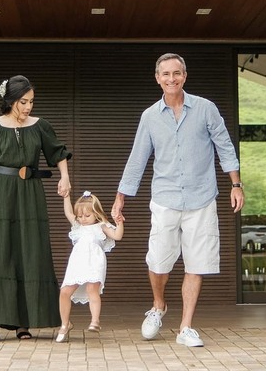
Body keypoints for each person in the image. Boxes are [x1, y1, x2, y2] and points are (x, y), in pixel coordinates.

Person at [110, 53, 243, 349]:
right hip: (165, 198)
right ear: (157, 78)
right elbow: (137, 159)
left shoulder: (206, 109)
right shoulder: (149, 117)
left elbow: (224, 146)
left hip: (202, 197)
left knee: (196, 263)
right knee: (158, 261)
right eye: (166, 74)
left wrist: (236, 184)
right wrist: (120, 198)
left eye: (177, 73)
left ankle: (186, 327)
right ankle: (159, 305)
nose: (172, 79)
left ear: (185, 75)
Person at [0, 75, 72, 342]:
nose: (28, 107)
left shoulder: (40, 126)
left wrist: (65, 177)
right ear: (10, 100)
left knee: (29, 253)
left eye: (31, 101)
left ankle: (24, 322)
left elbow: (58, 153)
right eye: (23, 101)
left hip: (30, 194)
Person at [55, 190, 124, 343]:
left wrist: (119, 222)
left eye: (87, 215)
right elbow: (68, 212)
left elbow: (117, 236)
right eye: (80, 216)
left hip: (95, 261)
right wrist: (66, 196)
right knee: (65, 291)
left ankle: (95, 321)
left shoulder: (101, 226)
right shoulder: (77, 226)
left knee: (92, 289)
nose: (83, 219)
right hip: (77, 261)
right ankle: (65, 324)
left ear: (96, 213)